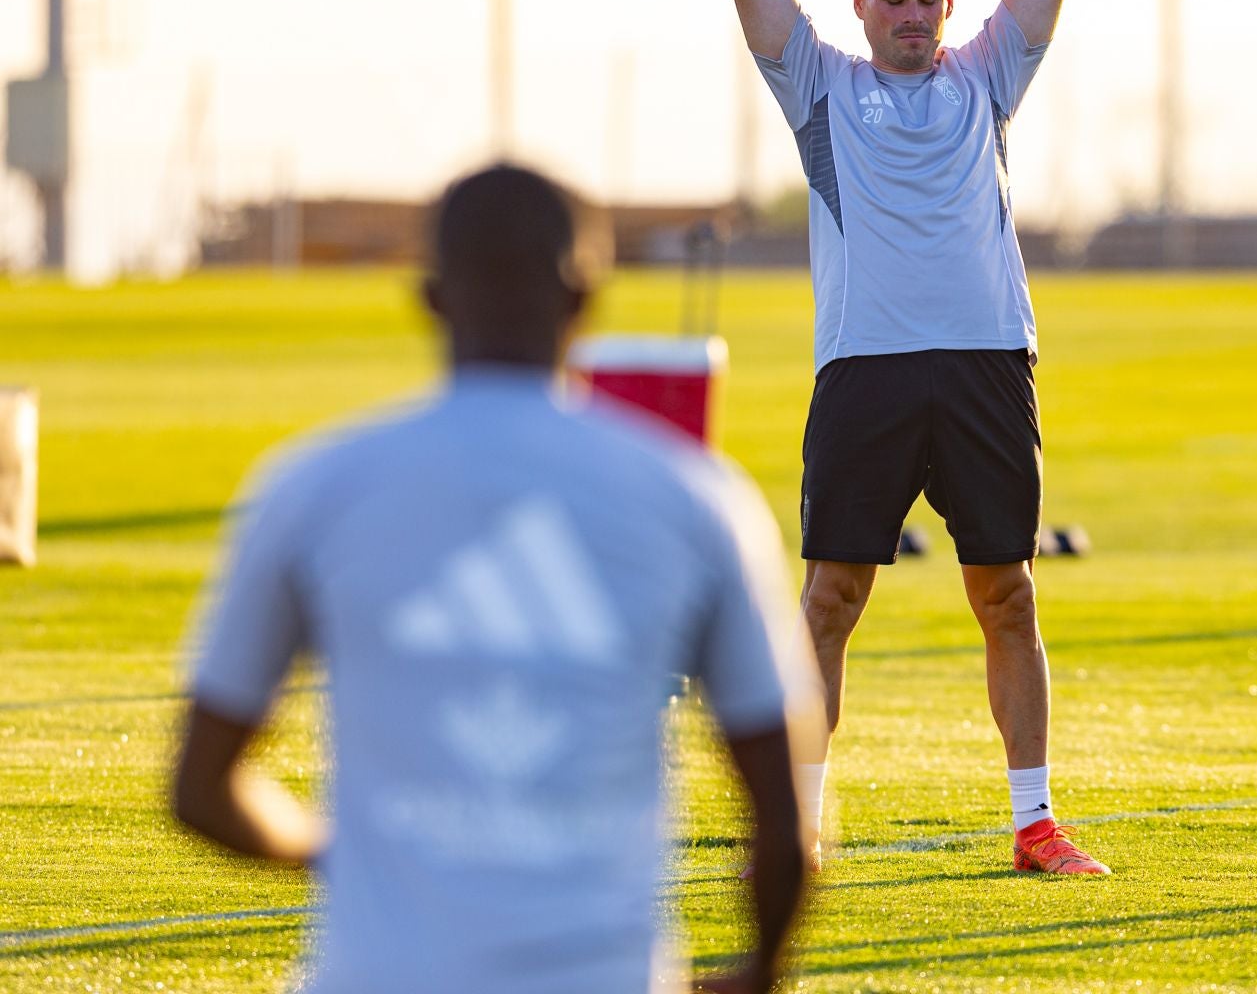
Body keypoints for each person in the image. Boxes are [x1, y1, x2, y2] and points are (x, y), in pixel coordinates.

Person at [171, 164, 823, 993]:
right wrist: (759, 971)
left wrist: (342, 849)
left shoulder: (313, 486)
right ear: (586, 298)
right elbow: (784, 817)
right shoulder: (692, 497)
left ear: (431, 296)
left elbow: (200, 787)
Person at [720, 0, 1106, 876]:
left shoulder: (986, 75)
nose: (913, 16)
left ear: (950, 2)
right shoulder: (819, 85)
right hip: (864, 372)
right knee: (832, 597)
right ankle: (797, 820)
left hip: (987, 363)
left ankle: (1034, 822)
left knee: (1007, 592)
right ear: (858, 2)